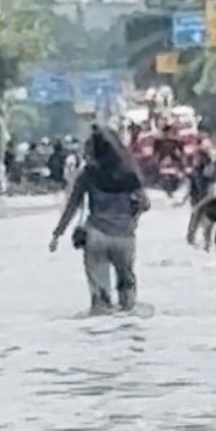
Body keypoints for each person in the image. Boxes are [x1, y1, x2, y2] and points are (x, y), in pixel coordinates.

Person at [48, 127, 150, 314]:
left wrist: (57, 234)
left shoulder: (88, 174)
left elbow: (72, 206)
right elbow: (145, 204)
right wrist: (132, 216)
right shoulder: (129, 174)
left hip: (96, 236)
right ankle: (127, 325)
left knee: (100, 301)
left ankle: (100, 327)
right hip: (124, 237)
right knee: (127, 293)